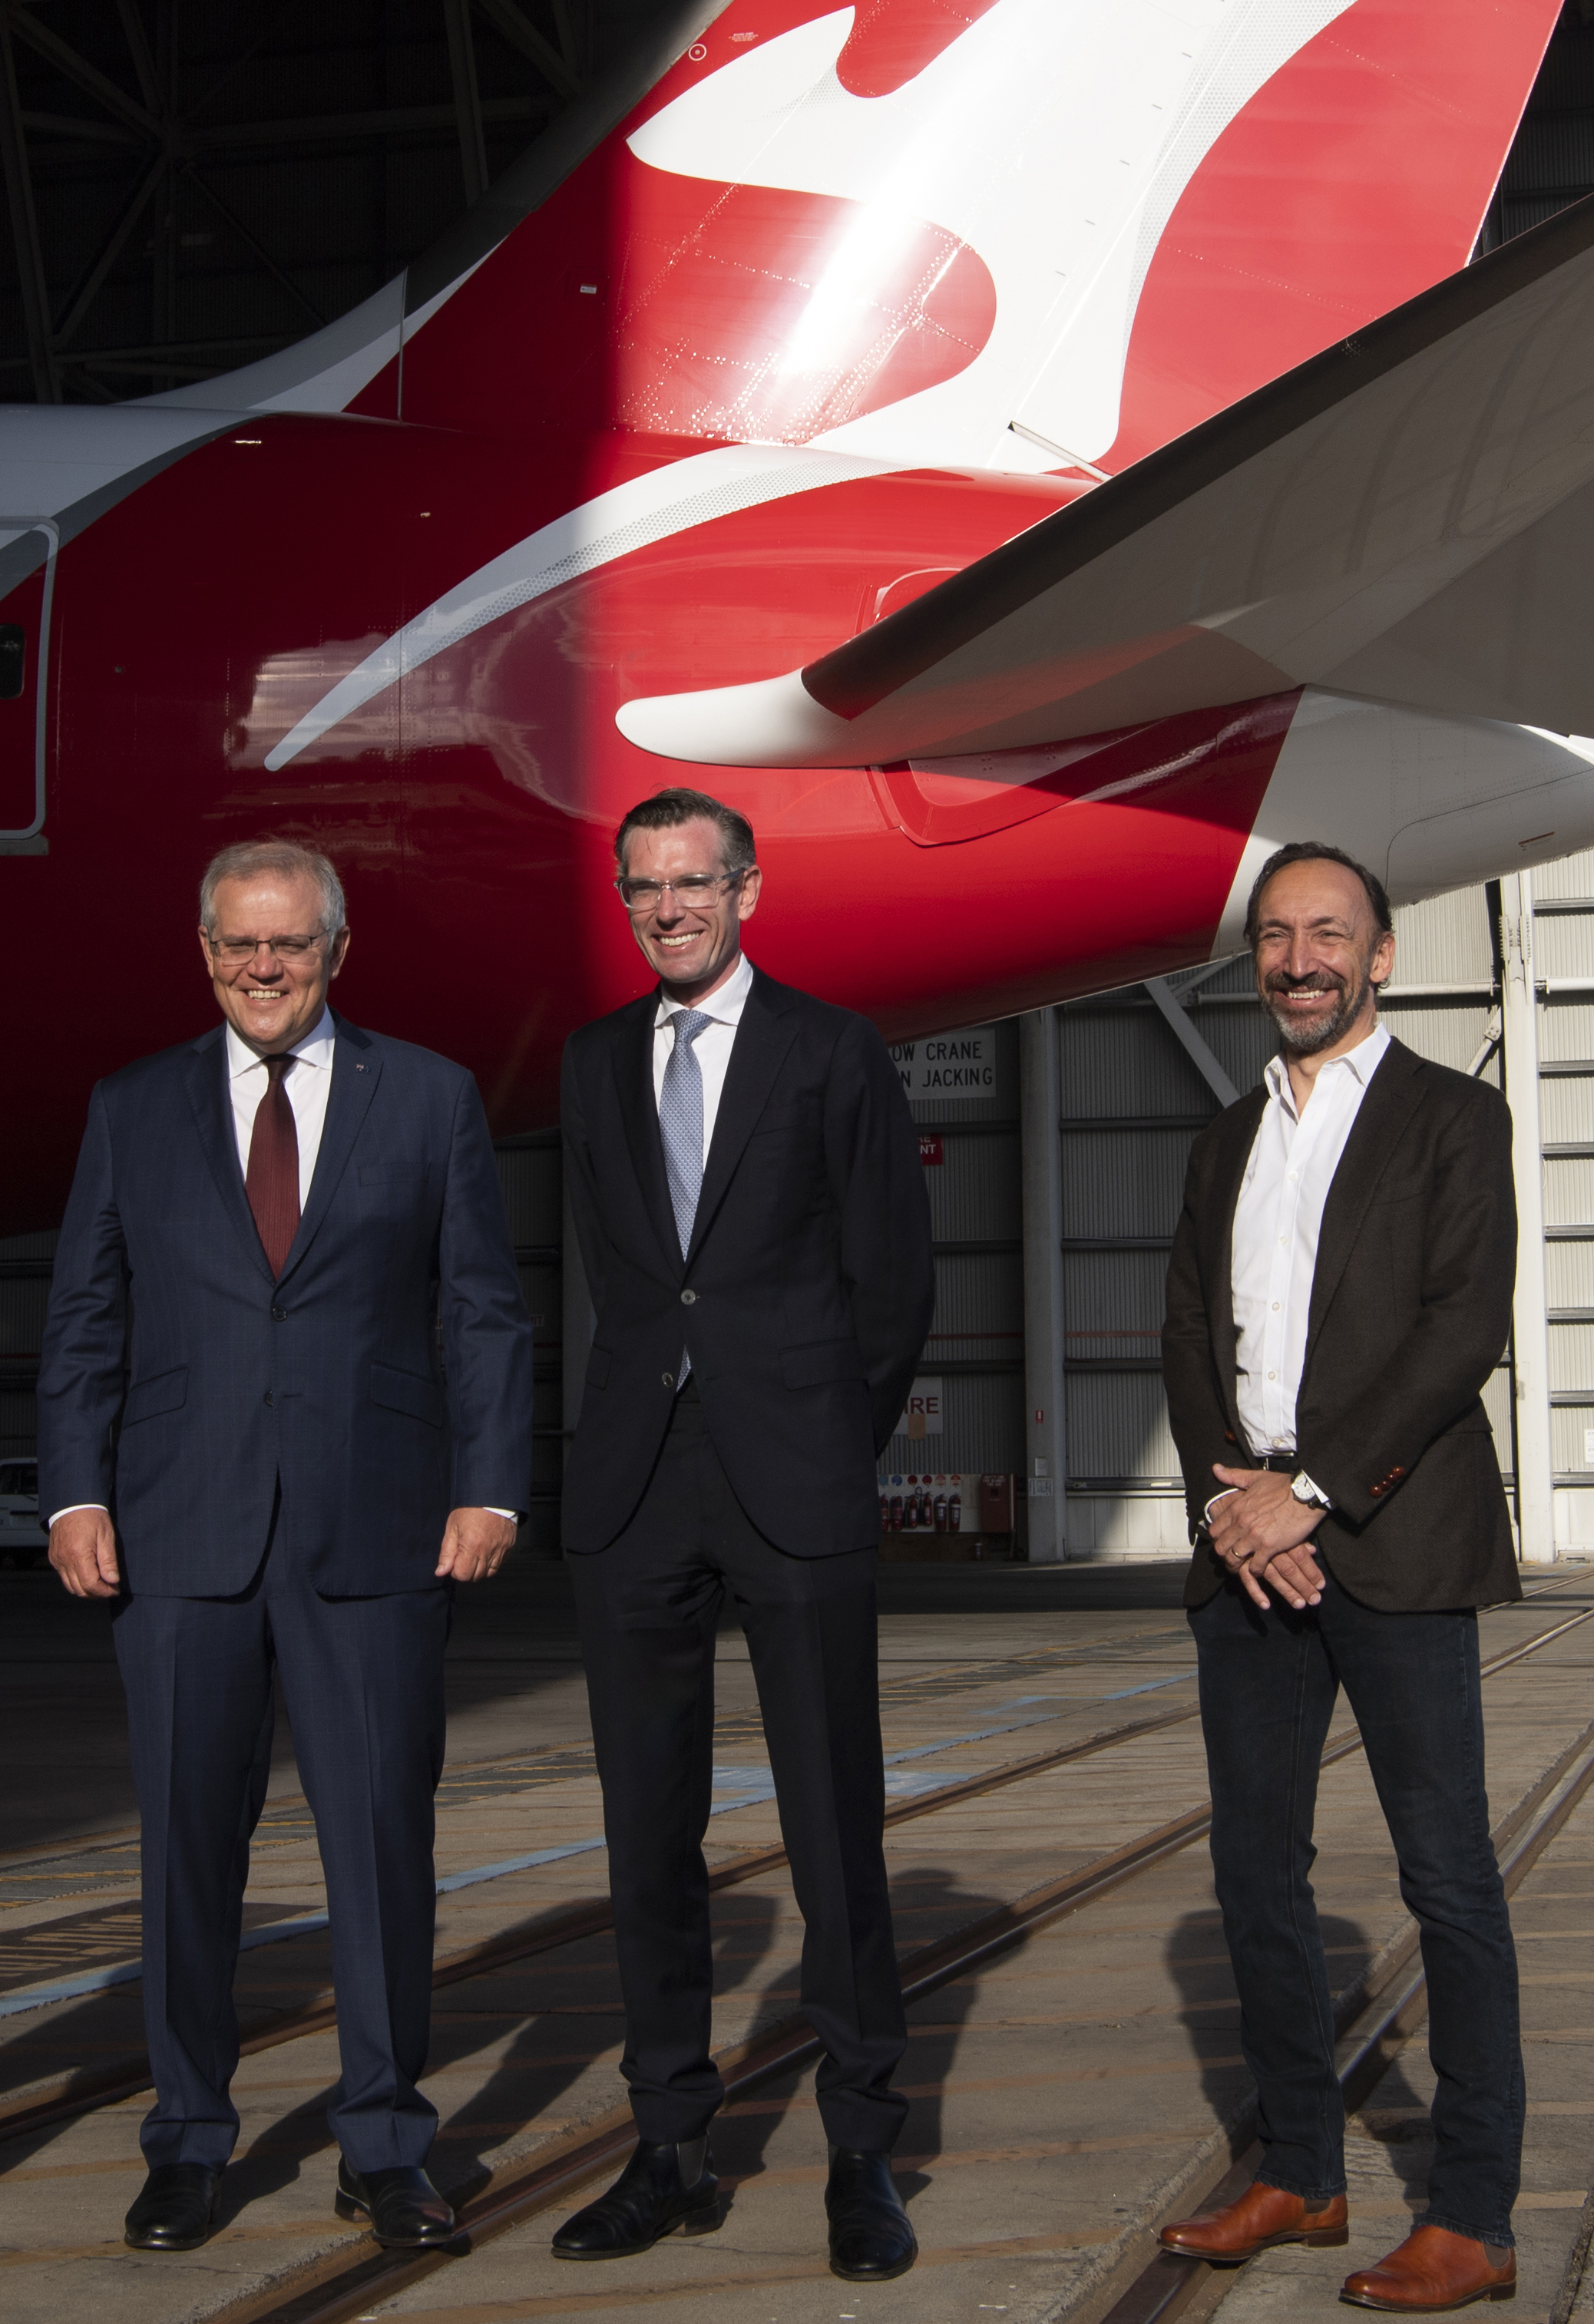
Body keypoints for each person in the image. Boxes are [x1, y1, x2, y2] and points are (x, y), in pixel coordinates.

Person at [38, 842, 533, 2256]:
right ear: (203, 952)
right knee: (189, 1856)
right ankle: (188, 2141)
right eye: (240, 946)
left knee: (380, 1850)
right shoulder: (132, 1109)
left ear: (338, 949)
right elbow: (84, 1316)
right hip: (179, 1540)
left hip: (375, 1537)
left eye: (291, 945)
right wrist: (73, 1493)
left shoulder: (429, 1096)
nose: (265, 969)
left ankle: (385, 2144)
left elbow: (482, 1311)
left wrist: (490, 1487)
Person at [545, 787, 934, 2284]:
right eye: (643, 888)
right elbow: (627, 1276)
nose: (668, 909)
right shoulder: (590, 1066)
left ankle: (860, 2152)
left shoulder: (833, 1051)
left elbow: (891, 1285)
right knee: (648, 1837)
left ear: (748, 890)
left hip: (796, 1482)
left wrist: (828, 1435)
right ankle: (670, 2149)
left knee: (834, 1831)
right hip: (639, 1483)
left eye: (693, 883)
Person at [1149, 845, 1527, 2315]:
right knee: (1256, 1874)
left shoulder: (1454, 1119)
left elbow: (1459, 1329)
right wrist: (1232, 1503)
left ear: (1383, 956)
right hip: (1247, 1553)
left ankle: (1475, 2214)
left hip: (1395, 1541)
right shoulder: (1221, 1137)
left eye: (1329, 935)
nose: (1300, 959)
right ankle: (1302, 2169)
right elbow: (1187, 1334)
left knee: (1448, 1881)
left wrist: (1305, 1496)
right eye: (1277, 937)